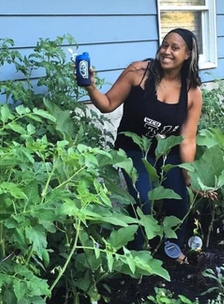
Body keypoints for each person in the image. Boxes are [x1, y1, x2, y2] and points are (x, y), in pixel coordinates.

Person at [77, 28, 217, 263]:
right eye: (164, 45)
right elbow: (108, 104)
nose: (167, 51)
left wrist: (191, 179)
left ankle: (171, 244)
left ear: (187, 55)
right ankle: (137, 251)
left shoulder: (192, 93)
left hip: (166, 151)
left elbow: (188, 139)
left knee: (179, 199)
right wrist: (91, 87)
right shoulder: (138, 73)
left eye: (175, 47)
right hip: (133, 149)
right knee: (142, 198)